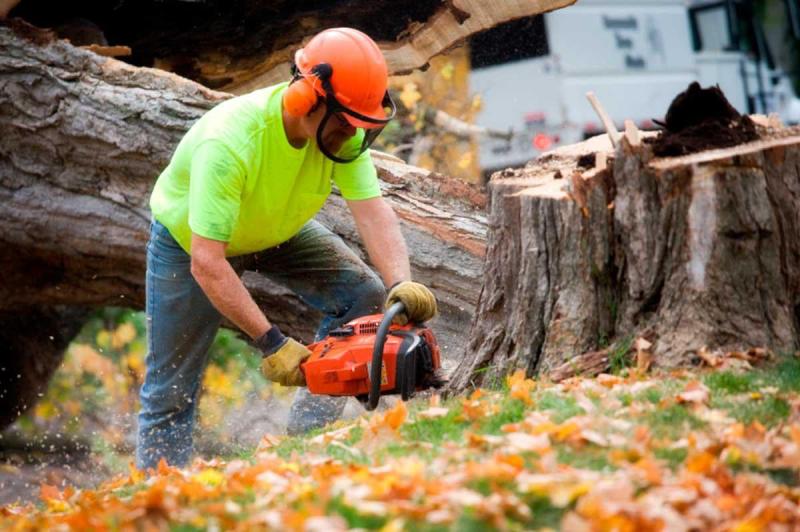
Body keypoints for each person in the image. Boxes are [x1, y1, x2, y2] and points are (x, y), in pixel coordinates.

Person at [137, 27, 437, 470]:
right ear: (307, 100)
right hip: (192, 246)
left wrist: (402, 283)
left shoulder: (343, 132)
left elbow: (373, 212)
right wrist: (272, 343)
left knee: (363, 295)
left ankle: (306, 446)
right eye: (345, 122)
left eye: (360, 124)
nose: (353, 134)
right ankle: (157, 498)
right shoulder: (229, 144)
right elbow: (208, 262)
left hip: (275, 231)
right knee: (170, 391)